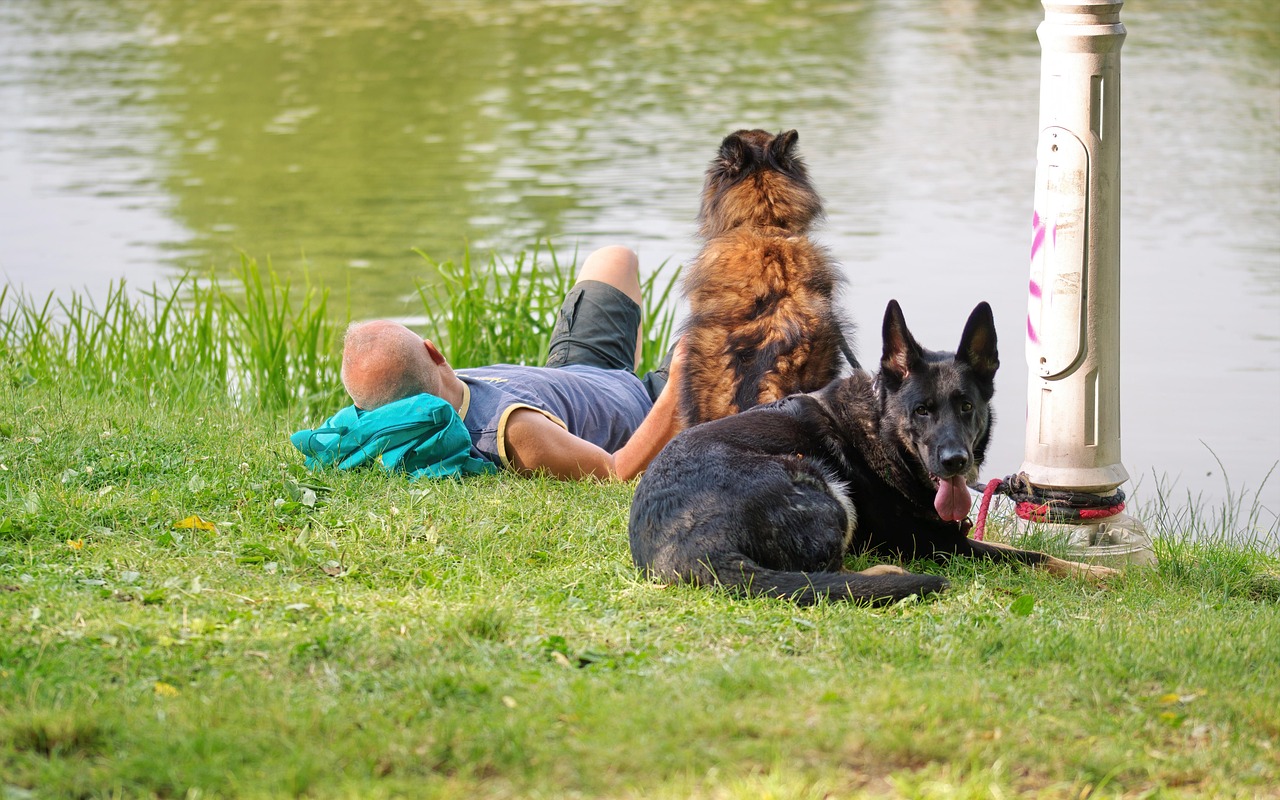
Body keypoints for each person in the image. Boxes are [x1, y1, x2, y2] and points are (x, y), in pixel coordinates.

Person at [334, 245, 684, 481]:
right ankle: (656, 374)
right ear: (434, 352)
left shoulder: (438, 394)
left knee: (614, 258)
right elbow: (615, 472)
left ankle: (631, 361)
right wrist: (678, 388)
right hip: (645, 405)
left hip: (575, 370)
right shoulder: (513, 430)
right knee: (729, 313)